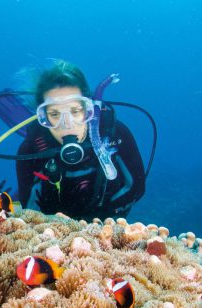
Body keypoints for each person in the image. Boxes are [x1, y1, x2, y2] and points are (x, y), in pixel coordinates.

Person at [16, 60, 145, 221]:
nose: (66, 125)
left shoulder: (115, 134)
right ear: (43, 117)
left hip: (108, 219)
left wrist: (101, 222)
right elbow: (29, 210)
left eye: (75, 111)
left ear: (89, 109)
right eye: (55, 114)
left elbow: (137, 187)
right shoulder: (31, 151)